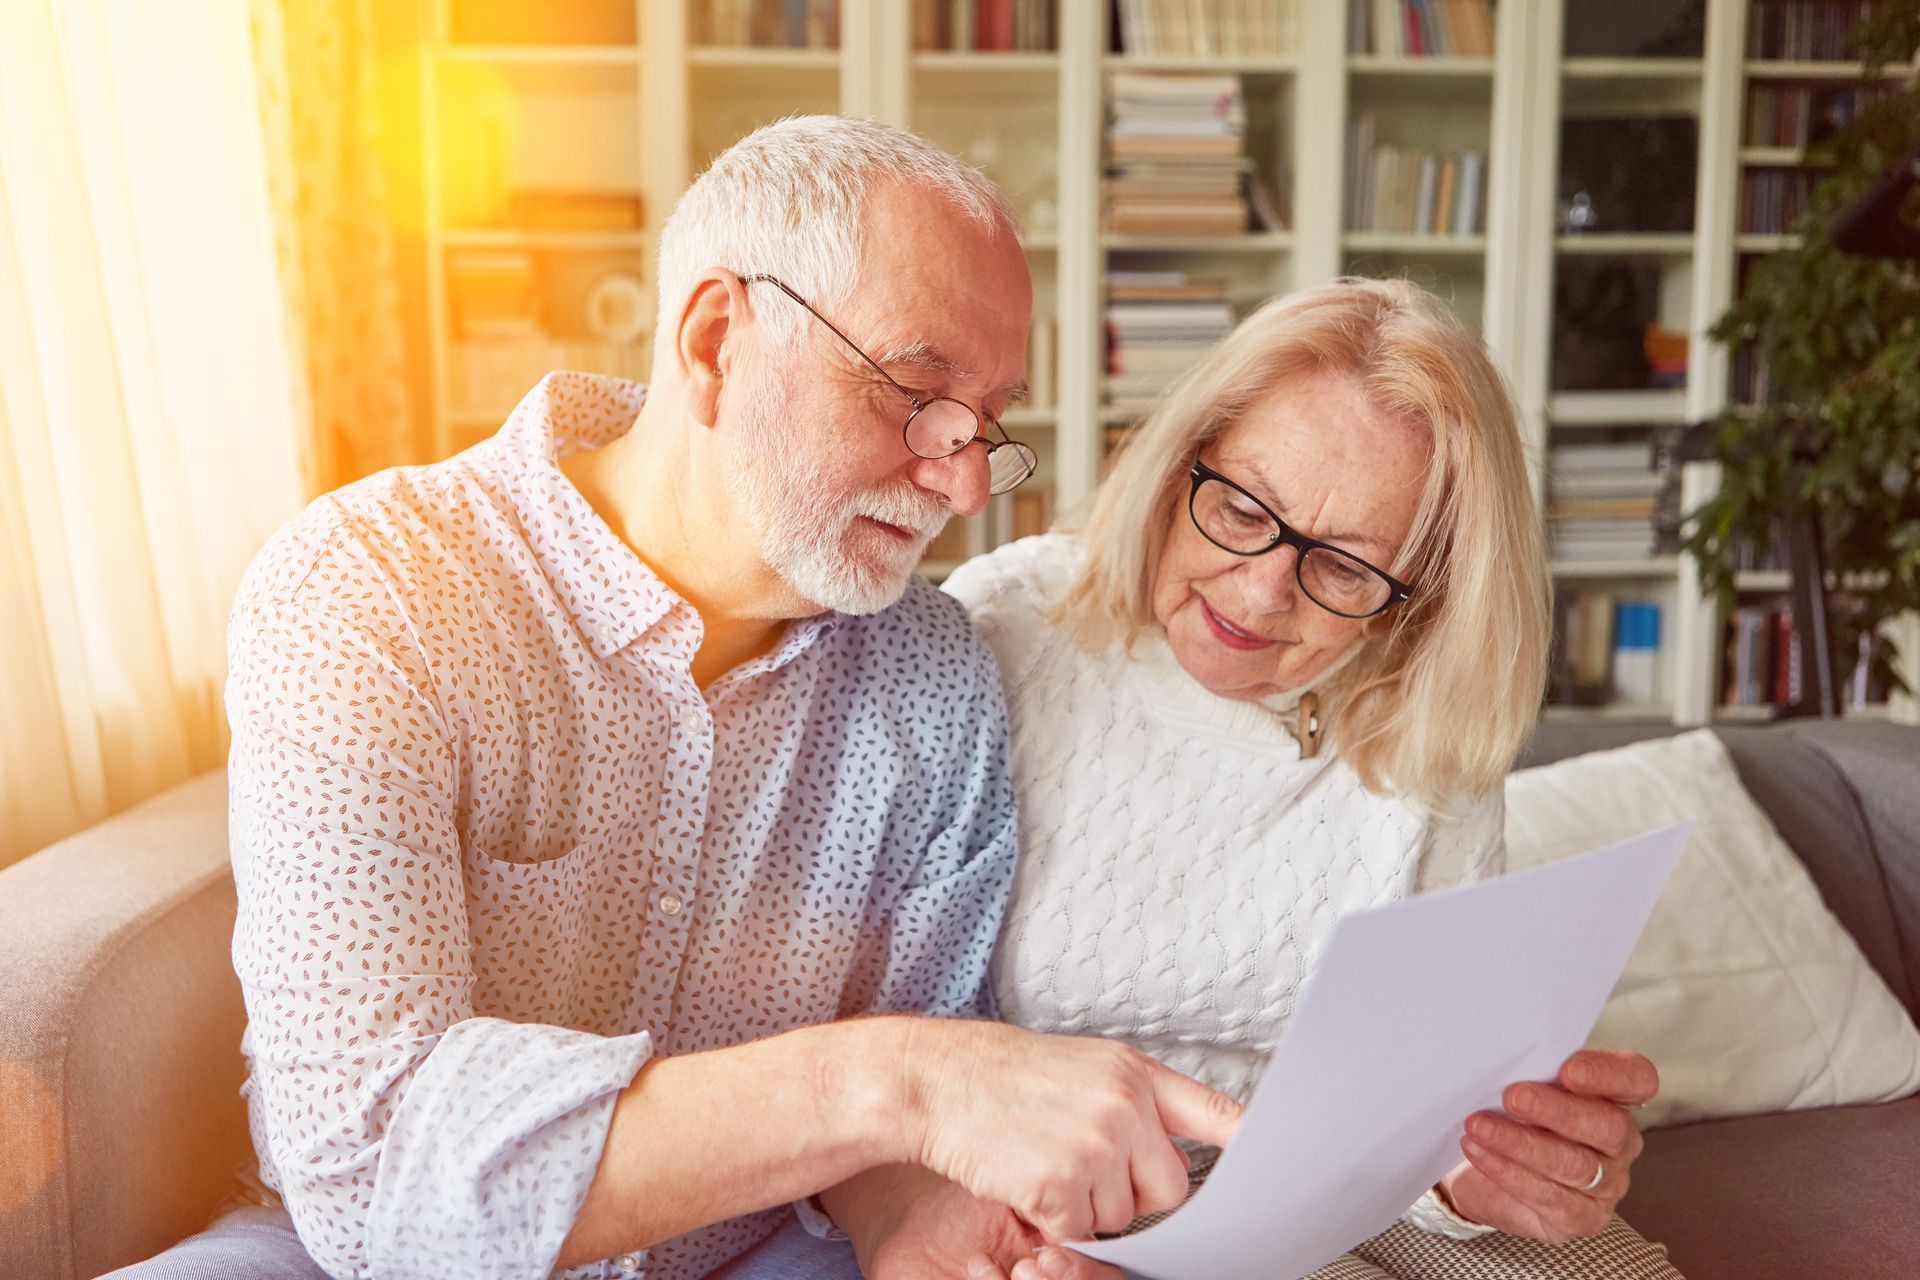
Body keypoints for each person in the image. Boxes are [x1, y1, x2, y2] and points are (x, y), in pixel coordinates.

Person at [105, 116, 1241, 1280]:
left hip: (751, 1253)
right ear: (714, 340)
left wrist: (910, 1210)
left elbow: (888, 1138)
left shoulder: (933, 677)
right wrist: (900, 1080)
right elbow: (372, 1178)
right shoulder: (374, 588)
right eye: (914, 392)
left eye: (985, 421)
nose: (959, 480)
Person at [818, 279, 1679, 1280]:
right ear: (1184, 459)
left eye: (1347, 567)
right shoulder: (1010, 627)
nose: (1263, 590)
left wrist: (1477, 1169)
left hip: (1348, 1186)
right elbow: (855, 1015)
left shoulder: (1423, 726)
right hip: (1072, 1180)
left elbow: (1419, 1105)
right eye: (1241, 507)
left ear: (1419, 596)